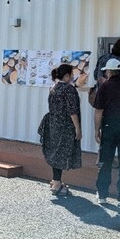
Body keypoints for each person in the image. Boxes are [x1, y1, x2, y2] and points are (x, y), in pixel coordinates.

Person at [93, 58, 120, 206]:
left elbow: (98, 111)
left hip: (109, 127)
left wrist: (97, 130)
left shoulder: (105, 87)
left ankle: (102, 195)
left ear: (109, 71)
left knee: (105, 161)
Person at [38, 64, 82, 196]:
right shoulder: (69, 89)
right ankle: (57, 183)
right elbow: (72, 111)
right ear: (67, 75)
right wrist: (77, 128)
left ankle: (55, 180)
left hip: (53, 123)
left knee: (55, 151)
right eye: (72, 74)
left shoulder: (53, 87)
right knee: (61, 153)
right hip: (65, 125)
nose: (73, 77)